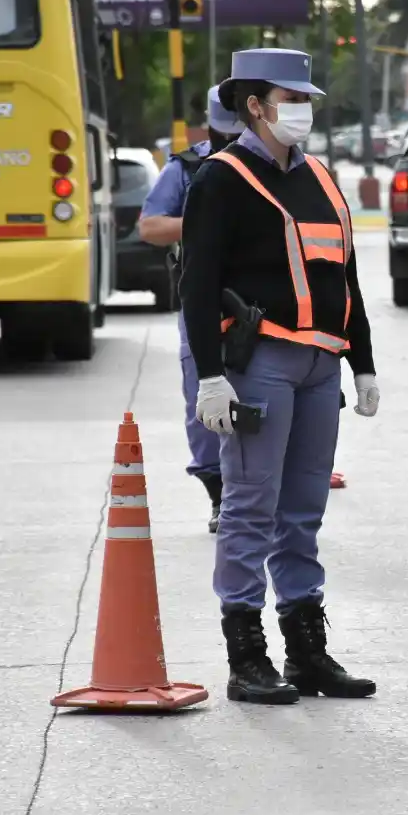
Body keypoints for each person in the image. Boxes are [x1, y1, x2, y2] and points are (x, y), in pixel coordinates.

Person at [180, 48, 379, 706]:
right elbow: (198, 282)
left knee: (302, 515)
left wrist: (364, 361)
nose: (303, 110)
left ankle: (307, 654)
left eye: (307, 99)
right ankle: (247, 657)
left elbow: (343, 276)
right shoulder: (221, 177)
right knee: (249, 510)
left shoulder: (319, 177)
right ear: (254, 106)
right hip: (261, 362)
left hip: (322, 365)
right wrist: (210, 375)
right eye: (290, 99)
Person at [139, 86, 245, 534]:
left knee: (272, 392)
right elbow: (151, 226)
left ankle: (264, 492)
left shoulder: (286, 161)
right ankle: (219, 493)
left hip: (271, 298)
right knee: (203, 396)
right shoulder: (186, 167)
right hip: (205, 298)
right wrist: (204, 221)